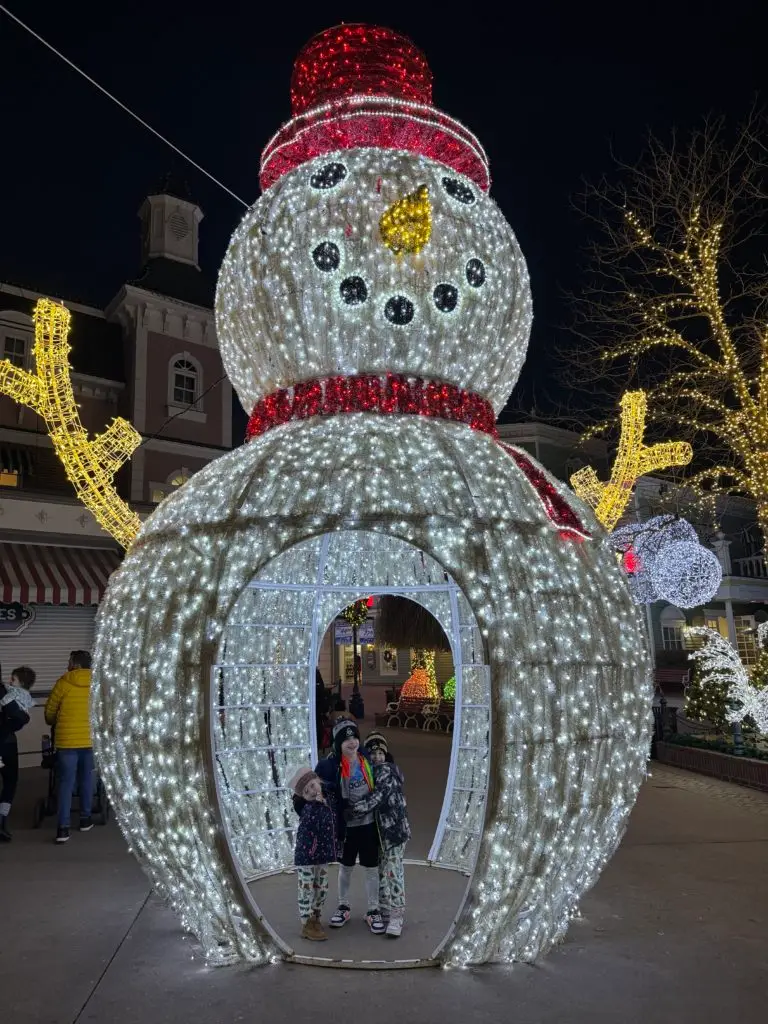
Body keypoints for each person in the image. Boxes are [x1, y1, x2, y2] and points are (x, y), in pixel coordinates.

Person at [315, 718, 384, 933]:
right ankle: (343, 905)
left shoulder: (366, 760)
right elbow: (320, 788)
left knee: (371, 867)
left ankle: (373, 909)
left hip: (369, 823)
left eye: (354, 737)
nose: (352, 742)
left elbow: (384, 782)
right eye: (346, 740)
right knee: (346, 867)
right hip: (346, 828)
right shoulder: (331, 765)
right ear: (338, 744)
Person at [352, 731, 411, 937]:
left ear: (386, 754)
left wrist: (355, 808)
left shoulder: (387, 772)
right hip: (380, 833)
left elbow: (377, 797)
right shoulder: (370, 772)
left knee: (393, 871)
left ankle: (397, 913)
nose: (377, 757)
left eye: (380, 752)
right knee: (381, 870)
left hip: (394, 832)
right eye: (373, 753)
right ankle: (385, 907)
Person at [44, 650, 94, 844]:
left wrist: (54, 721)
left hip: (66, 742)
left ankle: (63, 828)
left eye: (69, 661)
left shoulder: (63, 682)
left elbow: (49, 712)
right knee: (86, 779)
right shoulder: (98, 685)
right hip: (89, 740)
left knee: (65, 783)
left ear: (75, 664)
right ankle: (85, 819)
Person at [289, 765, 340, 941]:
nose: (311, 791)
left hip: (322, 854)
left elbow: (333, 822)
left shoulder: (327, 798)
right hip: (307, 856)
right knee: (306, 887)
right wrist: (316, 804)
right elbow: (310, 822)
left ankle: (316, 916)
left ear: (317, 780)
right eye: (306, 791)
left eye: (312, 785)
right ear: (302, 796)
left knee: (322, 887)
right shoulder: (308, 808)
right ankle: (307, 922)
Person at [0, 666, 36, 841]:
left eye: (12, 679)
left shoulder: (9, 692)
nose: (9, 681)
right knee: (10, 782)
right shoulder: (7, 693)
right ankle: (2, 820)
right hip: (6, 743)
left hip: (5, 741)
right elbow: (21, 718)